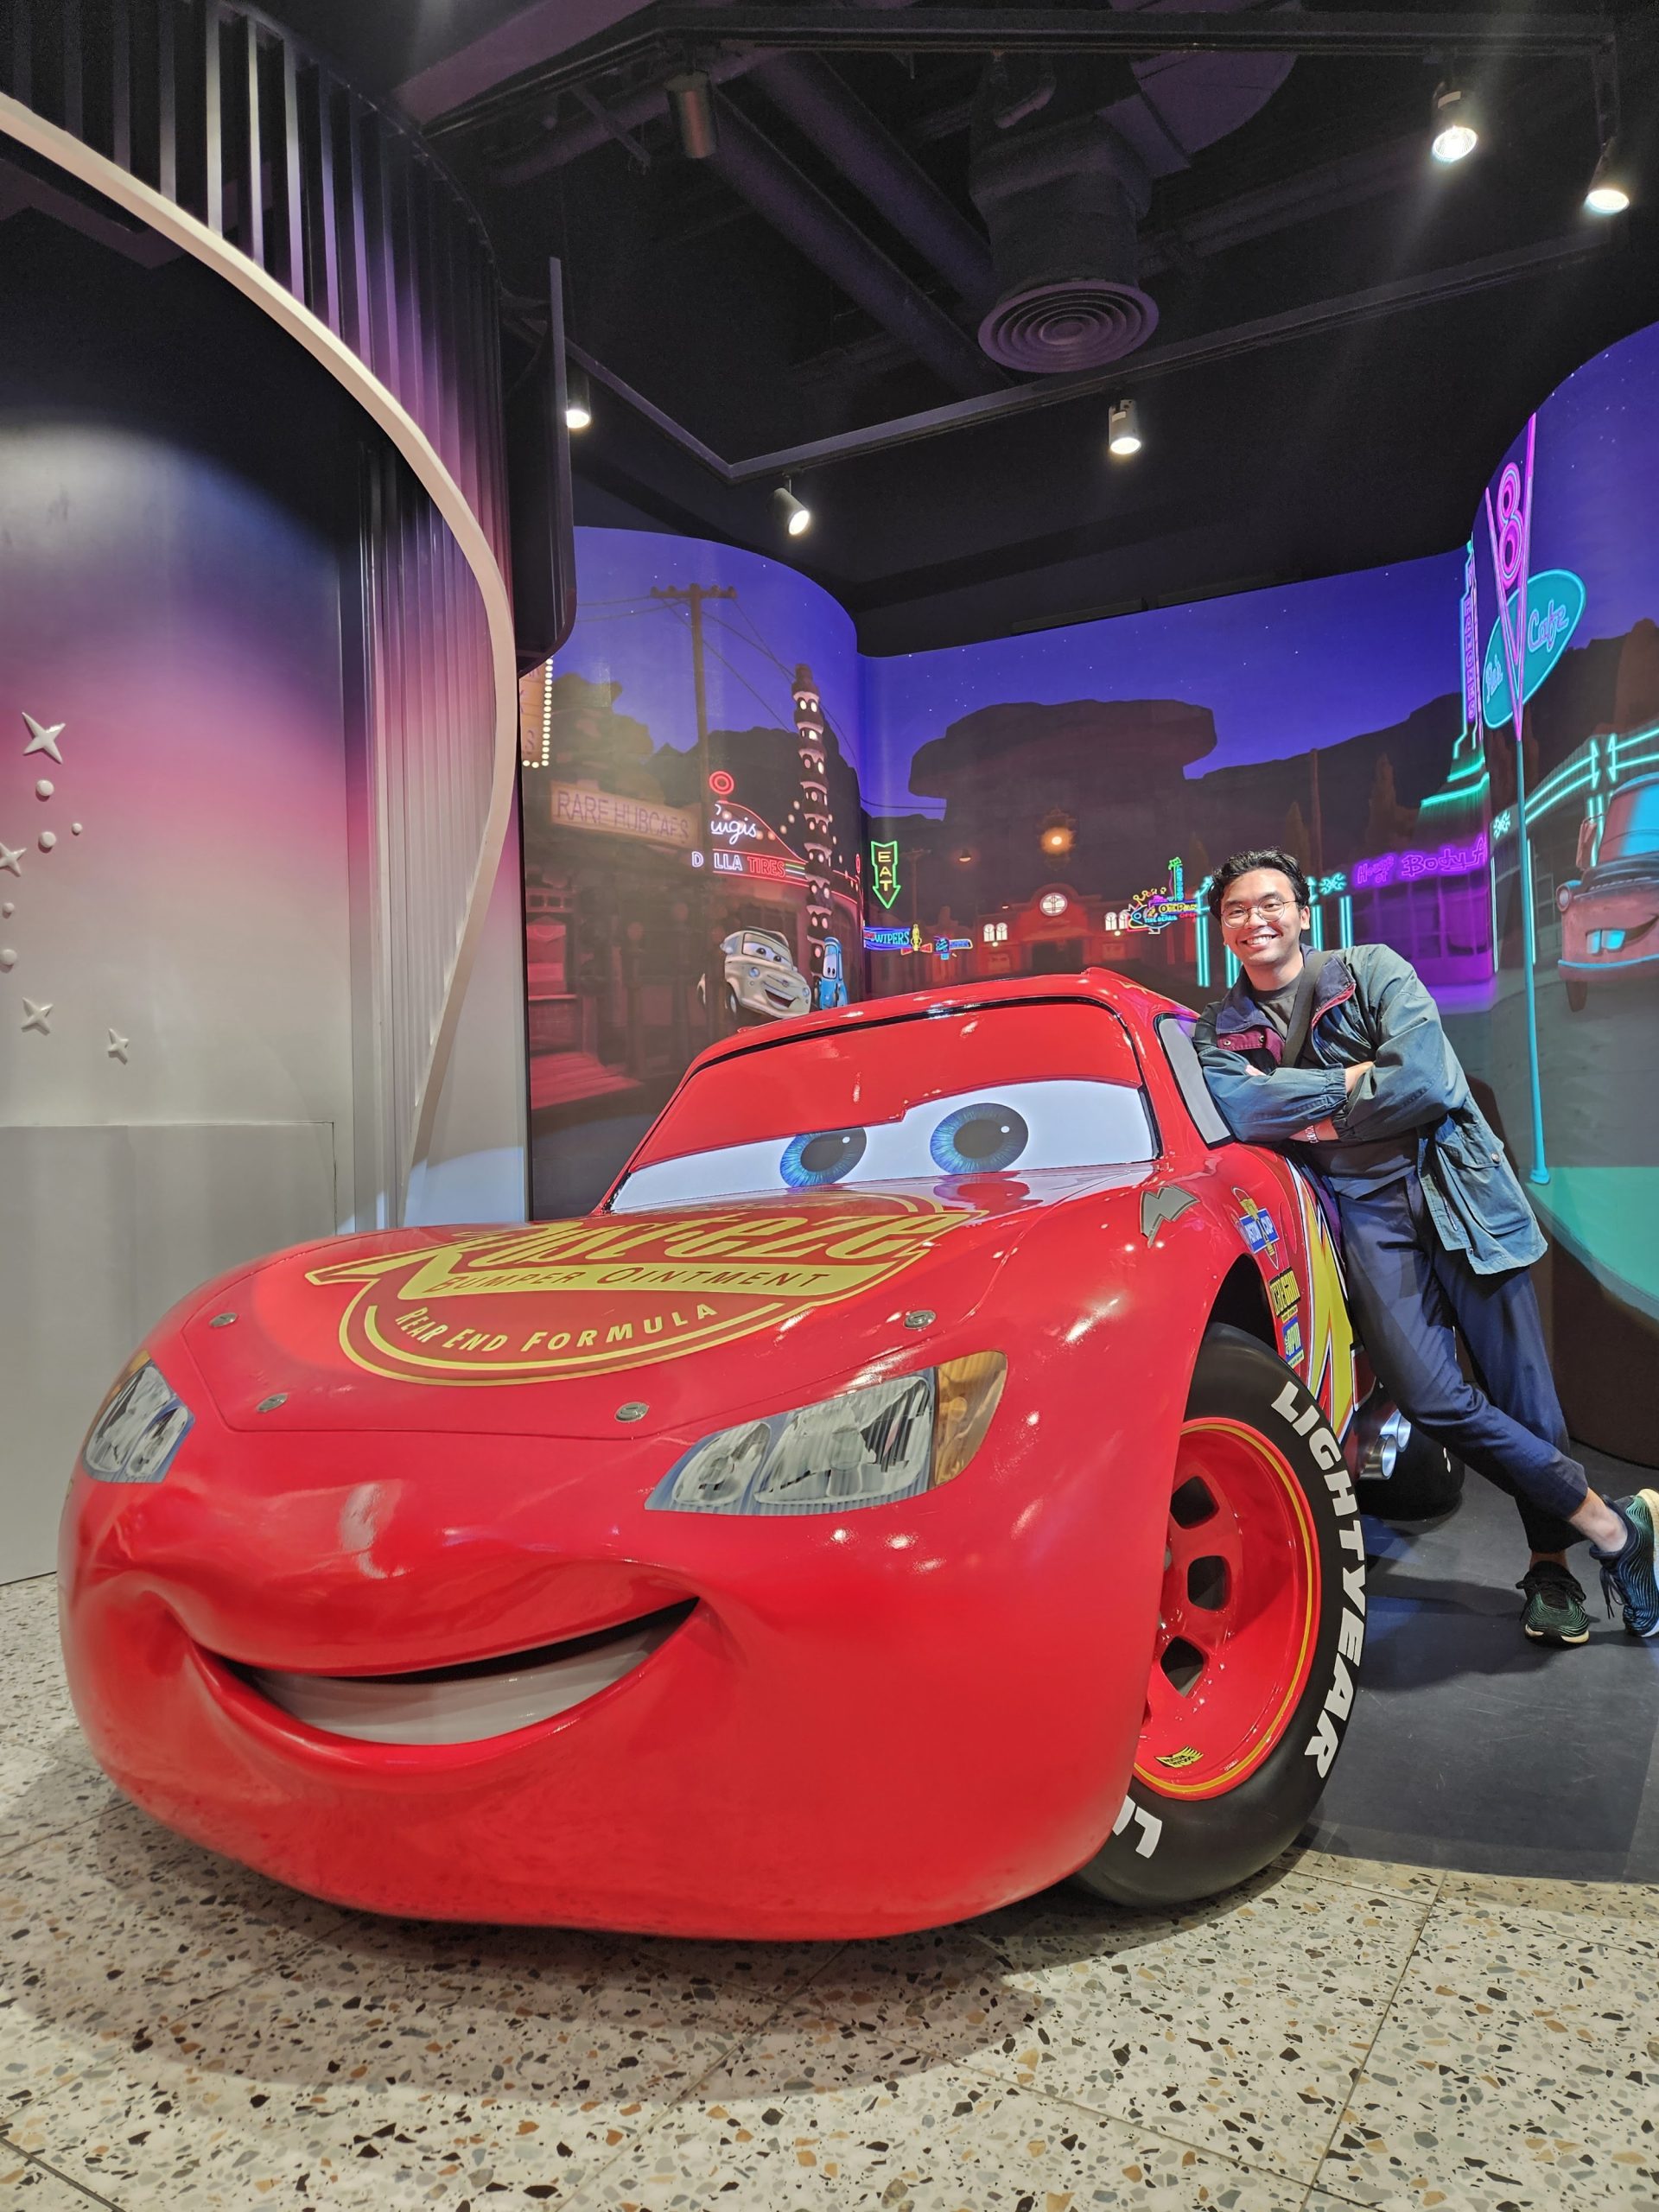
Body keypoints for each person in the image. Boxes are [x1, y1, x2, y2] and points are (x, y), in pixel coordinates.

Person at [1192, 845, 1657, 1647]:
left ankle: (1552, 1568)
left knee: (1525, 1398)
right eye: (1236, 910)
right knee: (1432, 1396)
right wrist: (1350, 1084)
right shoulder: (1218, 1031)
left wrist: (1313, 1113)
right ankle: (1615, 1525)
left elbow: (1430, 1084)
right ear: (1221, 931)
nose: (1254, 920)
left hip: (1456, 1188)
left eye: (1270, 903)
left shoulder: (1371, 968)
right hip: (1363, 1218)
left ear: (1303, 912)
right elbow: (1242, 1112)